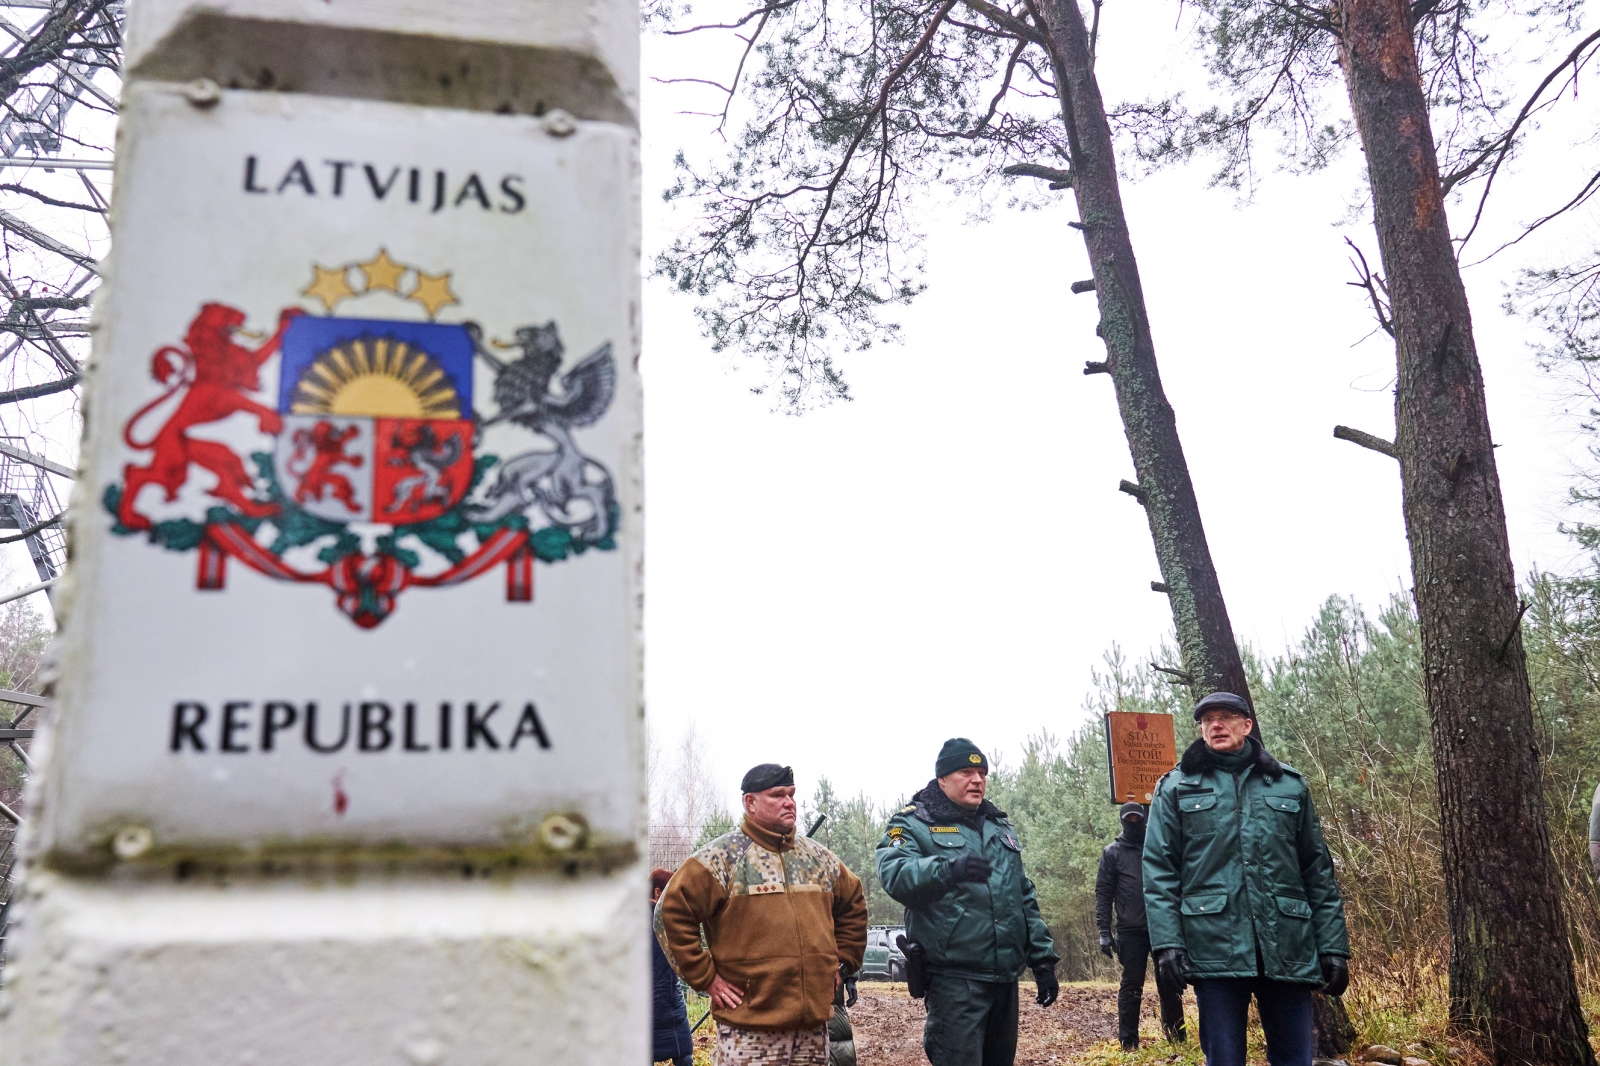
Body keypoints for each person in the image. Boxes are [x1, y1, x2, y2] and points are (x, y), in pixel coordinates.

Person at [1143, 692, 1351, 1066]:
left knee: (1295, 1058)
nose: (1216, 725)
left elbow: (1316, 870)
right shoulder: (1176, 787)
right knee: (1224, 1059)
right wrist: (1167, 943)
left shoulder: (1289, 785)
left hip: (1287, 943)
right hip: (1214, 945)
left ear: (1247, 725)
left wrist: (1333, 945)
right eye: (1207, 720)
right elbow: (1159, 869)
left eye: (1224, 717)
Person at [656, 763, 868, 1066]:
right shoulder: (722, 858)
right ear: (750, 803)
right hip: (750, 1032)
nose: (789, 802)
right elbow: (670, 913)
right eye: (777, 795)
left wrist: (843, 962)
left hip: (813, 1031)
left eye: (792, 795)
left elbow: (854, 904)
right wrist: (706, 978)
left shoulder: (819, 859)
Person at [877, 738, 1059, 1066]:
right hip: (955, 981)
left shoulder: (998, 825)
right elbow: (895, 874)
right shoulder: (913, 823)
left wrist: (1042, 960)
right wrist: (948, 870)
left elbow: (1023, 894)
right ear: (942, 778)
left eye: (982, 773)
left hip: (1004, 978)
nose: (977, 780)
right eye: (966, 771)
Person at [1097, 801, 1186, 1050]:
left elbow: (1175, 884)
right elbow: (1103, 894)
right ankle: (1128, 1042)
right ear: (1123, 821)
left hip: (1162, 928)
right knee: (1131, 986)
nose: (1135, 823)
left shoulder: (1157, 847)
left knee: (1170, 984)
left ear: (1145, 819)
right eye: (1130, 819)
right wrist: (1104, 932)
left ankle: (1177, 1039)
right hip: (1130, 931)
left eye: (1139, 818)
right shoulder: (1112, 853)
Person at [650, 867, 695, 1066]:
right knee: (684, 1057)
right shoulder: (667, 920)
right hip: (671, 1009)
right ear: (658, 892)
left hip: (641, 1011)